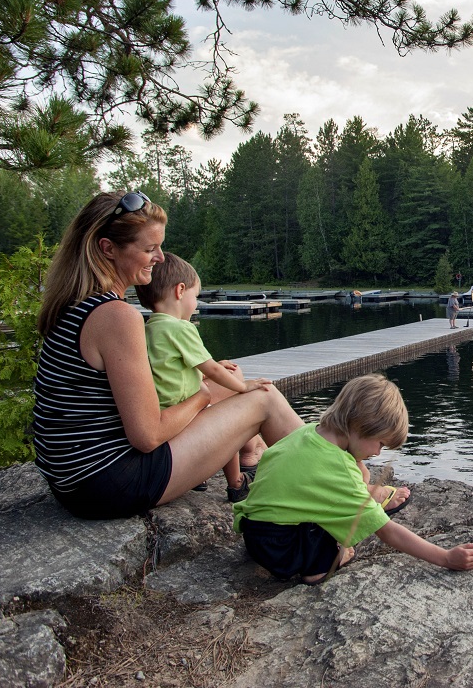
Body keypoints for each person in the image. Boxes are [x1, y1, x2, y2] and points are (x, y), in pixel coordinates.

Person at [33, 190, 308, 520]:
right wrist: (202, 396)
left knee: (229, 384)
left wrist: (207, 384)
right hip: (108, 482)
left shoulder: (74, 305)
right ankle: (349, 493)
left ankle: (267, 462)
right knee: (264, 398)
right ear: (108, 249)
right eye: (149, 248)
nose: (160, 257)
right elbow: (148, 436)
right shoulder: (116, 316)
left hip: (74, 480)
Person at [233, 373, 473, 583]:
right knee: (330, 525)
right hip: (283, 550)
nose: (377, 453)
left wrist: (359, 467)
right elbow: (388, 532)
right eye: (381, 444)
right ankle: (321, 566)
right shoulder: (338, 469)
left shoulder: (309, 432)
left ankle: (363, 502)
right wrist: (445, 557)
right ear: (361, 427)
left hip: (255, 536)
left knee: (327, 495)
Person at [134, 252, 267, 503]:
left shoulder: (148, 328)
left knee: (222, 394)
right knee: (225, 409)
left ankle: (207, 475)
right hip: (184, 410)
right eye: (195, 296)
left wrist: (215, 366)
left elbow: (172, 369)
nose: (195, 303)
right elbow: (212, 372)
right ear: (180, 291)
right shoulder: (180, 327)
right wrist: (243, 386)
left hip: (165, 411)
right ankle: (236, 483)